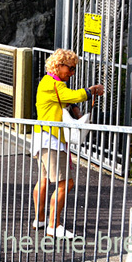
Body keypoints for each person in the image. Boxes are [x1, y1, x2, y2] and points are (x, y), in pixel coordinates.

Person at [32, 49, 104, 238]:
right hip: (53, 140)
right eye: (70, 69)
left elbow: (64, 99)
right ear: (59, 65)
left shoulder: (49, 82)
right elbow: (71, 96)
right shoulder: (53, 84)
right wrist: (91, 91)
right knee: (66, 183)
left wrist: (74, 107)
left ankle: (40, 219)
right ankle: (53, 226)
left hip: (43, 137)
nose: (72, 73)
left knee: (44, 180)